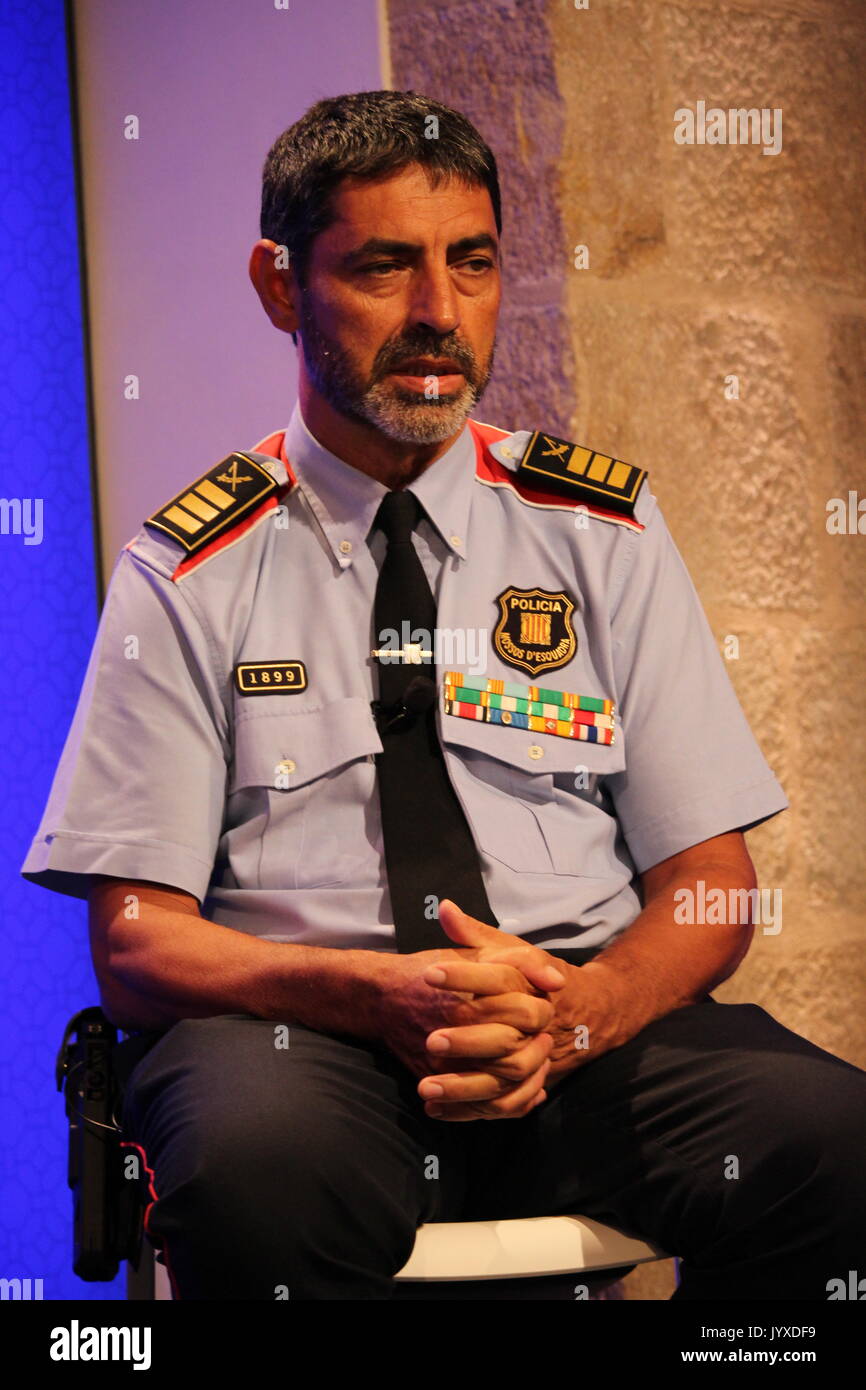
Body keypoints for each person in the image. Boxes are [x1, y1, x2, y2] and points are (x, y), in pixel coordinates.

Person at [22, 89, 866, 1301]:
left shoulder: (601, 533)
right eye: (382, 266)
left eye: (469, 264)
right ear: (277, 286)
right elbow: (137, 944)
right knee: (252, 1177)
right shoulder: (188, 567)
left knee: (830, 1144)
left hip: (573, 1034)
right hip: (310, 1052)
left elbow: (709, 887)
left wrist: (582, 1011)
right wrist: (367, 992)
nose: (438, 315)